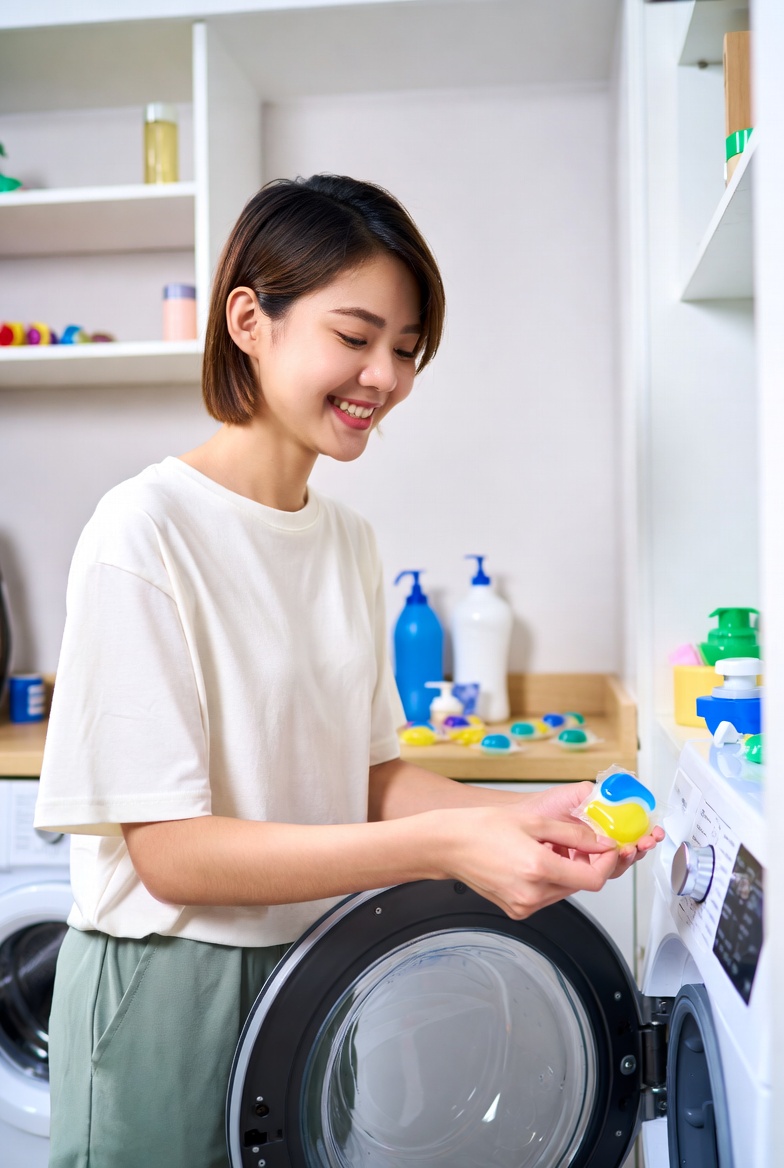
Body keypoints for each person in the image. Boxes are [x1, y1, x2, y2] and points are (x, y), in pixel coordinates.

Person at [35, 174, 662, 1168]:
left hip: (316, 961)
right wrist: (446, 844)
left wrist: (524, 820)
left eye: (407, 350)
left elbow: (366, 776)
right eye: (356, 336)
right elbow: (172, 855)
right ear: (249, 319)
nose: (387, 376)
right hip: (170, 984)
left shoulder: (346, 540)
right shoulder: (143, 529)